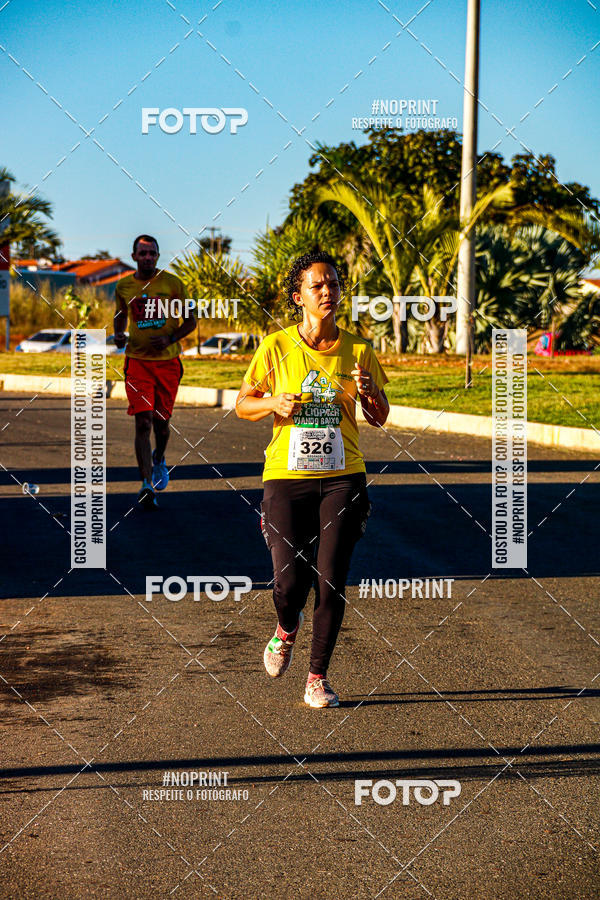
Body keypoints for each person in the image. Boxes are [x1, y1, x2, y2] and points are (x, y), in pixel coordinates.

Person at [236, 249, 389, 708]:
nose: (328, 292)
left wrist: (369, 394)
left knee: (331, 579)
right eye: (318, 286)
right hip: (286, 475)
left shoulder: (359, 349)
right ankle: (286, 628)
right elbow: (243, 404)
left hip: (344, 476)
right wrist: (273, 404)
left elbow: (379, 418)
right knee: (287, 583)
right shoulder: (276, 346)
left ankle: (317, 677)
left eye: (334, 284)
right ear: (298, 296)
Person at [114, 234, 196, 508]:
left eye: (152, 253)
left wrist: (171, 339)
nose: (147, 257)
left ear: (157, 256)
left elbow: (191, 321)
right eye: (143, 253)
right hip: (137, 363)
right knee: (143, 421)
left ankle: (159, 457)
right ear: (134, 256)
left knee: (161, 424)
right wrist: (118, 334)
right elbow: (120, 315)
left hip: (167, 364)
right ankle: (146, 484)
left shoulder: (172, 284)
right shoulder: (124, 286)